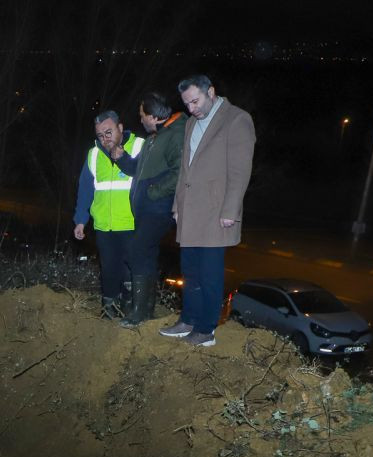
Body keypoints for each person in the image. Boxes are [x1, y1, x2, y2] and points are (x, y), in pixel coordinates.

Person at [160, 74, 256, 347]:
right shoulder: (191, 123)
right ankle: (188, 321)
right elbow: (185, 170)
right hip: (190, 212)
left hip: (216, 212)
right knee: (189, 271)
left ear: (211, 92)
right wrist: (177, 206)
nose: (191, 108)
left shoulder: (237, 119)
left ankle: (206, 330)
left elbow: (240, 171)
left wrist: (230, 210)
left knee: (209, 274)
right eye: (187, 103)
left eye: (195, 101)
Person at [110, 92, 187, 327]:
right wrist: (121, 159)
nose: (140, 118)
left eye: (142, 115)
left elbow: (181, 172)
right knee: (146, 255)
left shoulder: (174, 135)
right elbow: (138, 169)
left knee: (136, 249)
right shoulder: (155, 137)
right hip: (146, 210)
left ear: (153, 117)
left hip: (160, 209)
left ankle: (137, 313)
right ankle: (146, 312)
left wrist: (154, 192)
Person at [73, 110, 145, 318]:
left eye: (109, 132)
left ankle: (132, 310)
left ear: (120, 128)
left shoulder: (140, 146)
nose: (105, 139)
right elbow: (85, 190)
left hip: (132, 224)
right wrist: (80, 220)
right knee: (109, 269)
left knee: (131, 270)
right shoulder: (93, 154)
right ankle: (109, 309)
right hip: (104, 225)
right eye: (100, 135)